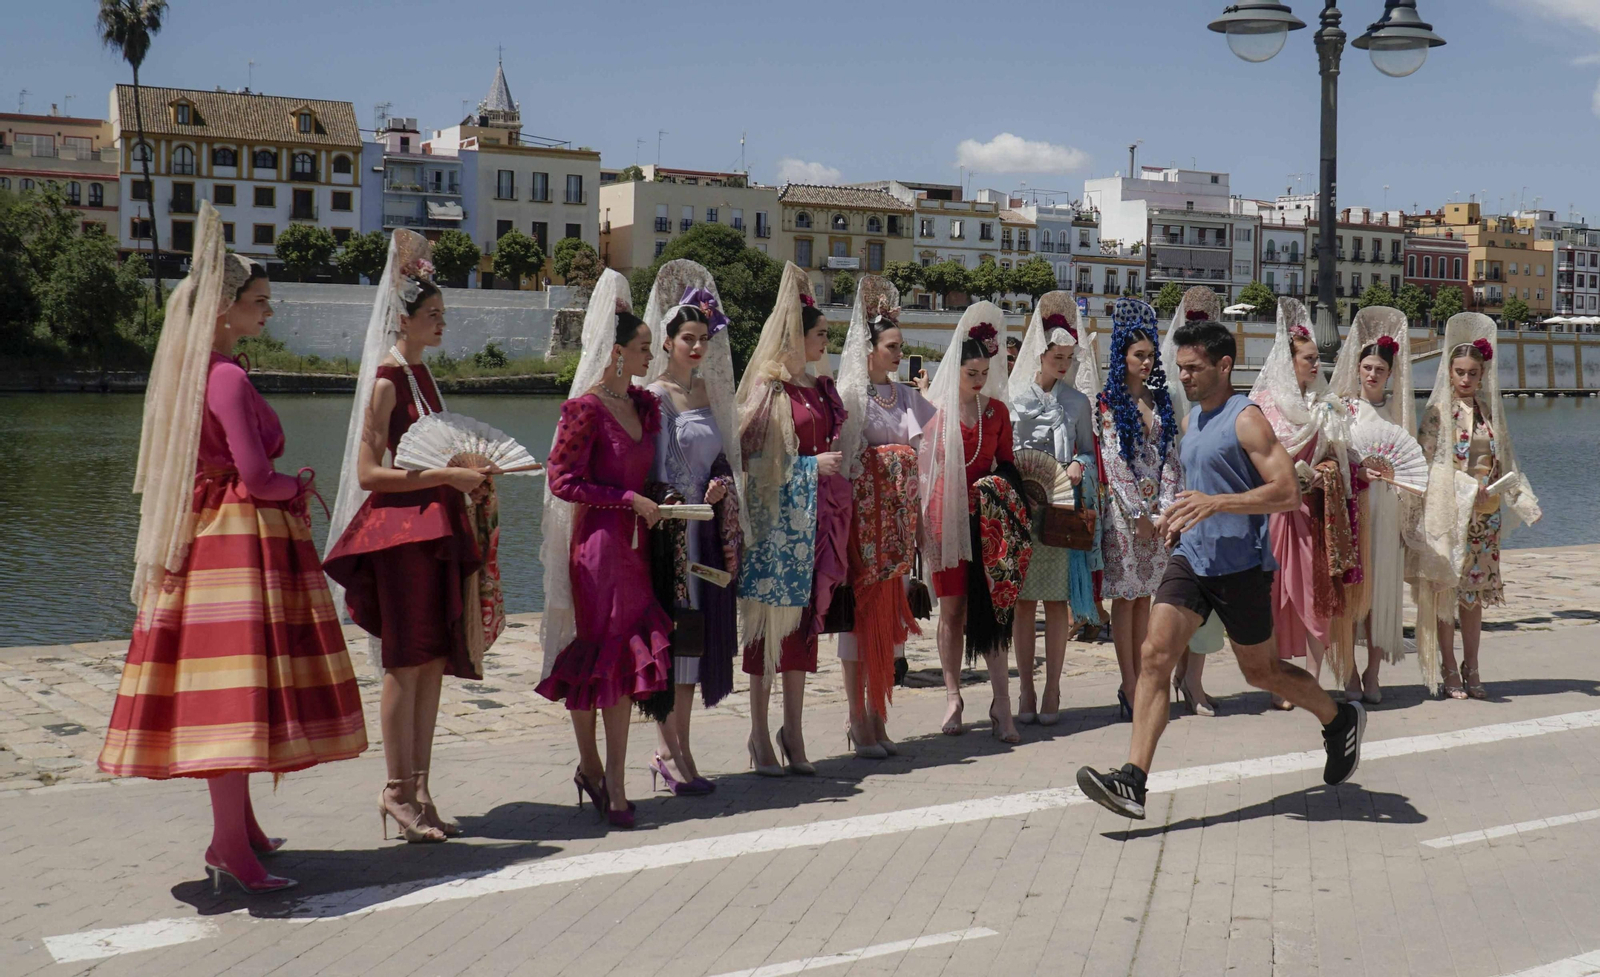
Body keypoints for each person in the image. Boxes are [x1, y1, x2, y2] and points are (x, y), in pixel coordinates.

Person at [100, 202, 366, 893]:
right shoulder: (225, 376)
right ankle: (229, 846)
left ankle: (240, 828)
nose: (268, 312)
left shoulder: (205, 373)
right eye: (259, 301)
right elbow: (254, 474)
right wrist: (298, 485)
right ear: (223, 309)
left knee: (228, 690)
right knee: (239, 692)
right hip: (238, 541)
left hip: (208, 532)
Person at [1077, 317, 1367, 820]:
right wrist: (1177, 514)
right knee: (1154, 654)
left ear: (1224, 365)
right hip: (1191, 557)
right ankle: (1133, 782)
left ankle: (1338, 717)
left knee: (1262, 672)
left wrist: (1217, 504)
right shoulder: (1191, 423)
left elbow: (1287, 492)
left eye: (1193, 368)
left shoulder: (1246, 419)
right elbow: (1195, 487)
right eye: (1181, 367)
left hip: (1241, 566)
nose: (1182, 377)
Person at [324, 231, 492, 845]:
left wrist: (471, 473)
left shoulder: (423, 375)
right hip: (400, 535)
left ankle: (420, 785)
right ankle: (396, 788)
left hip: (435, 527)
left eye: (444, 315)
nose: (441, 323)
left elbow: (436, 448)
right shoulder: (388, 380)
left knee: (431, 663)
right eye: (432, 315)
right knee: (404, 661)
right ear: (404, 318)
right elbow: (370, 473)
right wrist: (449, 473)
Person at [536, 269, 672, 828]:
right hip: (598, 547)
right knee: (604, 657)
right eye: (643, 348)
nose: (650, 356)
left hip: (637, 547)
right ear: (616, 352)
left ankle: (605, 773)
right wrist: (624, 498)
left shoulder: (644, 406)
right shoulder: (586, 408)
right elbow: (561, 481)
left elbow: (653, 473)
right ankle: (602, 773)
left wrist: (661, 498)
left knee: (625, 659)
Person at [736, 262, 850, 776]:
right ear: (797, 336)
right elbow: (750, 462)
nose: (827, 339)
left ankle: (795, 732)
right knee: (767, 634)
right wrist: (809, 465)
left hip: (818, 521)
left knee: (804, 631)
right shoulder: (770, 390)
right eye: (821, 333)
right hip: (779, 530)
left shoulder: (820, 388)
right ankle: (759, 734)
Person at [640, 262, 745, 793]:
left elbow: (721, 457)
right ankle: (669, 749)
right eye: (688, 338)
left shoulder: (705, 393)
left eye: (704, 338)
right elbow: (652, 469)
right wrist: (679, 499)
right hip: (673, 535)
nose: (698, 347)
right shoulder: (654, 397)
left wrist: (721, 484)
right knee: (678, 636)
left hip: (705, 532)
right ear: (667, 341)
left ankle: (677, 746)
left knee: (697, 640)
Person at [1411, 315, 1541, 700]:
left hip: (1485, 520)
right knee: (1447, 594)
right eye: (1460, 372)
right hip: (1450, 516)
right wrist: (1466, 489)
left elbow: (1507, 463)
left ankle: (1473, 665)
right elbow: (1425, 466)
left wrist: (1525, 502)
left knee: (1473, 597)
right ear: (1449, 373)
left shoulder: (1489, 415)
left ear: (1483, 376)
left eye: (1473, 373)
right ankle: (1449, 667)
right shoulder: (1437, 415)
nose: (1466, 379)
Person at [920, 302, 1032, 743]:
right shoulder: (936, 413)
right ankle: (953, 696)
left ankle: (1001, 702)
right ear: (956, 371)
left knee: (993, 611)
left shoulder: (997, 413)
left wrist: (994, 488)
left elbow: (1008, 466)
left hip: (987, 524)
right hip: (946, 523)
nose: (980, 380)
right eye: (972, 374)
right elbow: (924, 475)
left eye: (985, 372)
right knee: (952, 610)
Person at [835, 276, 933, 757]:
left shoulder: (908, 399)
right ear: (869, 348)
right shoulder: (852, 398)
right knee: (860, 621)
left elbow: (921, 450)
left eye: (900, 346)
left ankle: (879, 714)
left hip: (895, 525)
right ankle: (857, 720)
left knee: (888, 623)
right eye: (891, 346)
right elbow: (846, 459)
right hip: (863, 526)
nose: (898, 353)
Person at [1249, 298, 1355, 705]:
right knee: (1273, 596)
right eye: (1308, 358)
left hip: (1312, 512)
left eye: (1317, 358)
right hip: (1274, 515)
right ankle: (1280, 680)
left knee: (1315, 597)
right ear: (1288, 360)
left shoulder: (1323, 406)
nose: (1316, 365)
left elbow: (1337, 460)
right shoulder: (1265, 406)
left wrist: (1319, 473)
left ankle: (1311, 679)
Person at [1008, 292, 1099, 726]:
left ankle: (1053, 687)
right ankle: (1025, 686)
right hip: (1025, 509)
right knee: (1024, 602)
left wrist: (1081, 464)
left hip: (1063, 511)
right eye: (1056, 356)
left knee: (1057, 601)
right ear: (1038, 354)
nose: (1062, 364)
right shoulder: (1016, 400)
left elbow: (1089, 451)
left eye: (1068, 356)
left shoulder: (1078, 402)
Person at [1327, 307, 1423, 704]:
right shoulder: (1343, 410)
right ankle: (1348, 671)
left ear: (1389, 374)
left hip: (1388, 511)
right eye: (1366, 367)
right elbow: (1331, 455)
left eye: (1379, 370)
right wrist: (1356, 473)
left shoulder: (1399, 415)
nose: (1371, 374)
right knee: (1354, 593)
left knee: (1383, 594)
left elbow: (1412, 472)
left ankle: (1373, 673)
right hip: (1355, 509)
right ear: (1357, 367)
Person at [1097, 299, 1182, 722]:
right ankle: (1129, 682)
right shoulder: (1109, 403)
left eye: (1151, 355)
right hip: (1124, 513)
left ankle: (1143, 679)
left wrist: (1165, 510)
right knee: (1125, 599)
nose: (1146, 362)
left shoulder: (1160, 401)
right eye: (1139, 355)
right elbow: (1113, 462)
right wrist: (1139, 515)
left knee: (1146, 598)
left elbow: (1171, 458)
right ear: (1122, 356)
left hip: (1156, 513)